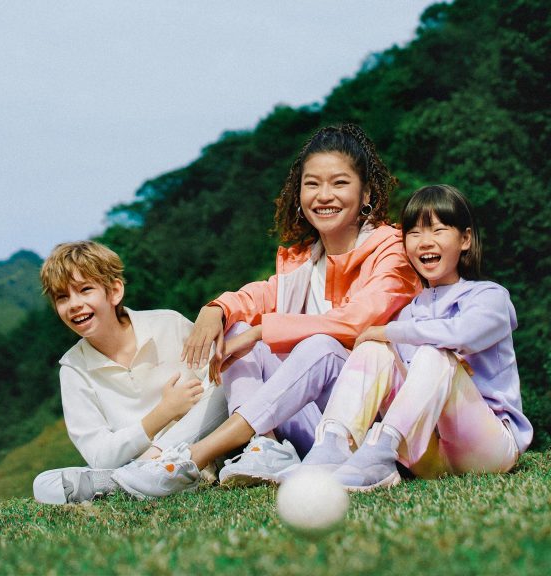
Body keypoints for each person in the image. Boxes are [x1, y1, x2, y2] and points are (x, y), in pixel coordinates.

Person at [110, 123, 421, 498]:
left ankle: (194, 457)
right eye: (312, 184)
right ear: (298, 192)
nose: (324, 196)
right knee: (237, 331)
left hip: (376, 422)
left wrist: (263, 331)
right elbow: (259, 296)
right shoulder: (302, 261)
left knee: (317, 344)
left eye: (339, 183)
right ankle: (265, 447)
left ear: (366, 192)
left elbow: (359, 321)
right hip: (317, 426)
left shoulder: (394, 249)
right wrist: (218, 308)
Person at [294, 184, 532, 490]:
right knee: (374, 348)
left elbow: (462, 334)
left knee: (434, 353)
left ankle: (382, 447)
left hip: (487, 449)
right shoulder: (406, 311)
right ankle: (332, 446)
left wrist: (391, 331)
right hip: (425, 453)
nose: (424, 242)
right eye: (414, 233)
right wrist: (384, 336)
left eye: (438, 230)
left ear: (465, 239)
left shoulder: (490, 298)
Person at [32, 241, 228, 504]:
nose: (74, 304)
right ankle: (144, 477)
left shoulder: (168, 324)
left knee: (231, 377)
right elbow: (100, 457)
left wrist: (185, 413)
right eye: (62, 297)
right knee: (44, 484)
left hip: (198, 455)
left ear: (114, 291)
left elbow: (221, 388)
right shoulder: (73, 369)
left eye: (85, 290)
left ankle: (148, 474)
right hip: (130, 468)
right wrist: (163, 413)